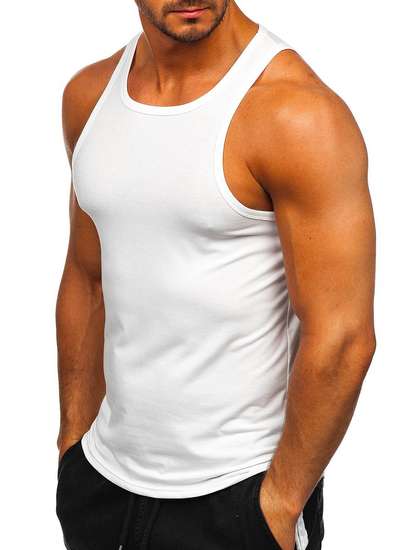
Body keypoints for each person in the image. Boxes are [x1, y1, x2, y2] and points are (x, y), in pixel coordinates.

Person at [55, 1, 376, 549]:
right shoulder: (89, 97)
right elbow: (88, 278)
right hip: (103, 486)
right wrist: (73, 444)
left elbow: (343, 336)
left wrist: (278, 506)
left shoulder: (296, 113)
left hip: (238, 497)